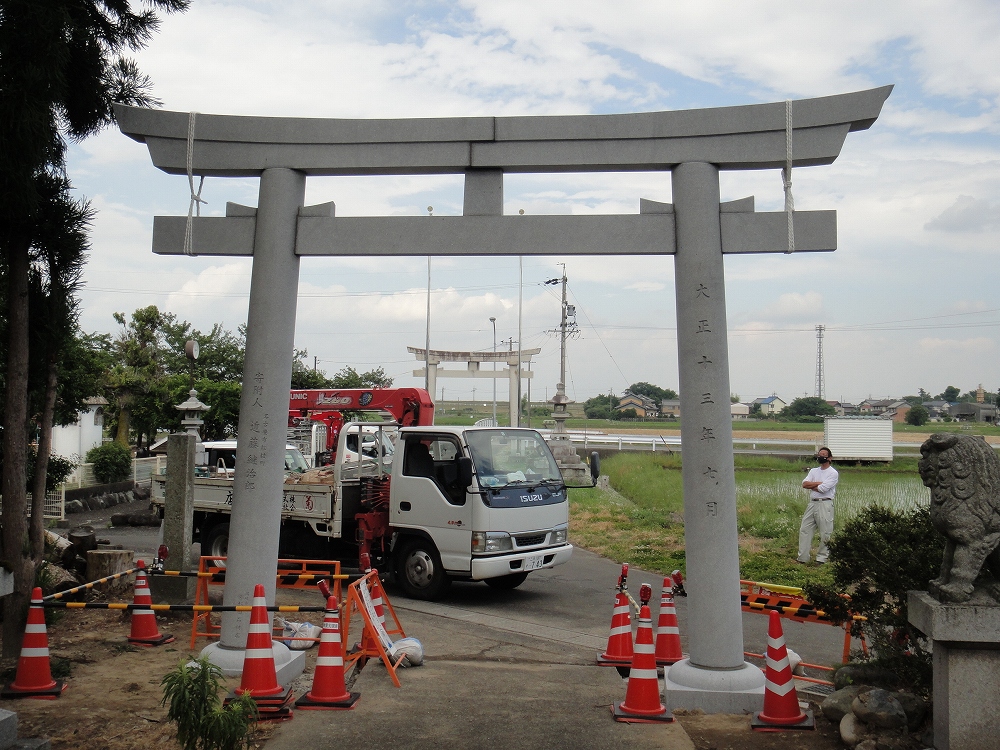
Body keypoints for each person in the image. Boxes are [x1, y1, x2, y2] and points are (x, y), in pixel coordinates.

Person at [796, 446, 838, 564]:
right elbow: (804, 484)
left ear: (829, 458)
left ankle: (822, 558)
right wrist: (819, 483)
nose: (821, 456)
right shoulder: (813, 471)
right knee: (804, 529)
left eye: (824, 454)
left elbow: (823, 489)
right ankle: (802, 558)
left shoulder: (833, 473)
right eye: (819, 454)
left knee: (825, 532)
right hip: (812, 503)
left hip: (825, 503)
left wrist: (813, 485)